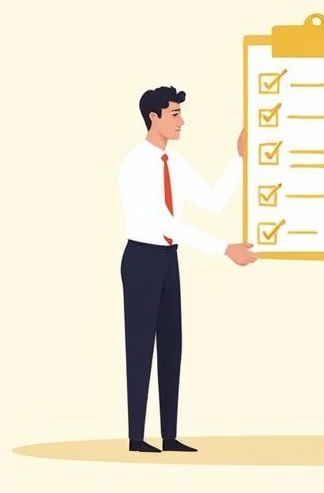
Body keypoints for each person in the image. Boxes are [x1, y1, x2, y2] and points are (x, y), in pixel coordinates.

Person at [118, 85, 258, 453]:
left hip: (167, 258)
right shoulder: (135, 164)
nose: (182, 121)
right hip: (142, 258)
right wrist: (223, 248)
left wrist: (239, 159)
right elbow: (164, 222)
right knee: (140, 347)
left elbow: (211, 200)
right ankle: (136, 437)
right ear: (154, 117)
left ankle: (168, 435)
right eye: (175, 114)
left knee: (170, 345)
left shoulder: (174, 162)